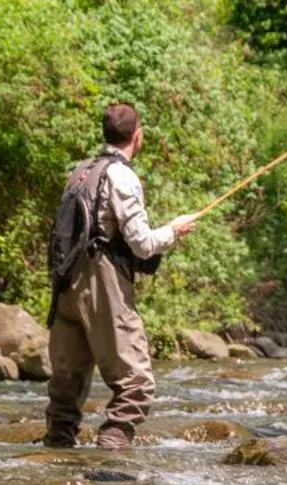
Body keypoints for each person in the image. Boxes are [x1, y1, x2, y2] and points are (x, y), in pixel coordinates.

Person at [44, 102, 197, 449]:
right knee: (136, 384)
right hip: (103, 283)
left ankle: (55, 458)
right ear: (137, 136)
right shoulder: (122, 176)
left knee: (66, 387)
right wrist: (174, 230)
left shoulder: (80, 170)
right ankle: (110, 455)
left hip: (66, 283)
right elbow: (142, 245)